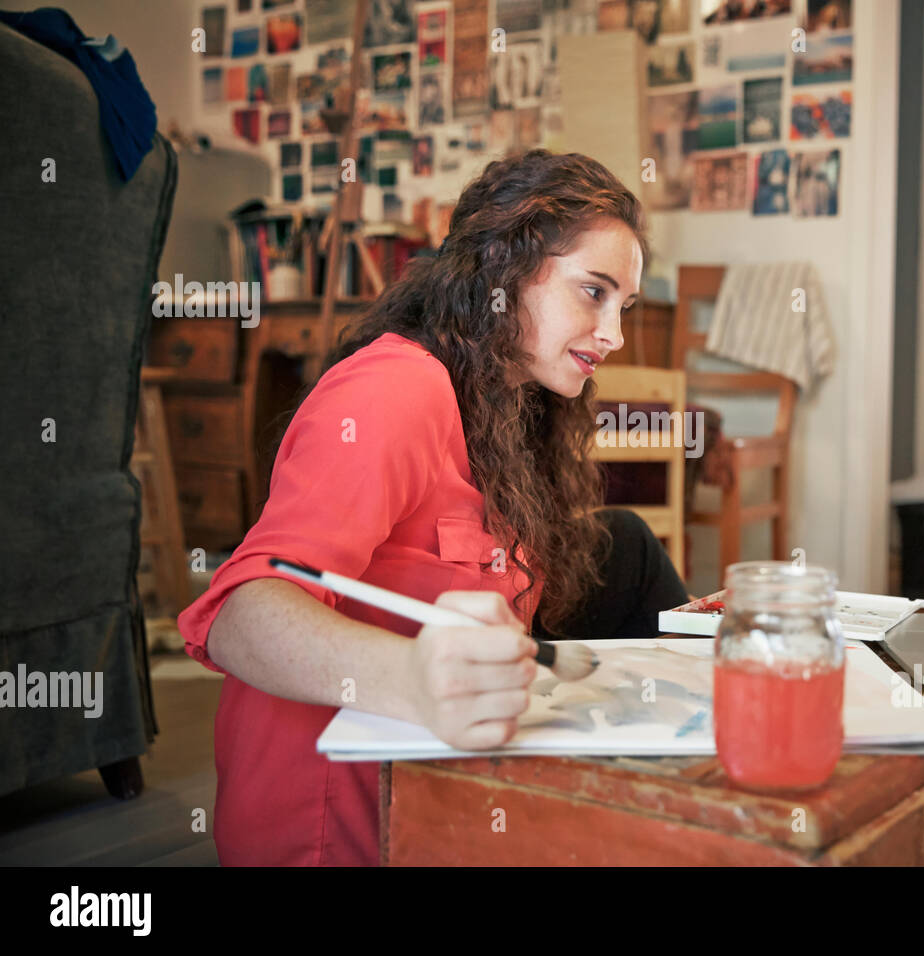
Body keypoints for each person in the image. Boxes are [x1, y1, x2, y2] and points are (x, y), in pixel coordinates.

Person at [178, 150, 688, 865]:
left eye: (624, 306)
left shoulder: (505, 398)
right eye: (592, 292)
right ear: (503, 271)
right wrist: (411, 678)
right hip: (339, 833)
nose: (614, 334)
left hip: (442, 771)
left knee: (623, 546)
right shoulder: (392, 392)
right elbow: (240, 616)